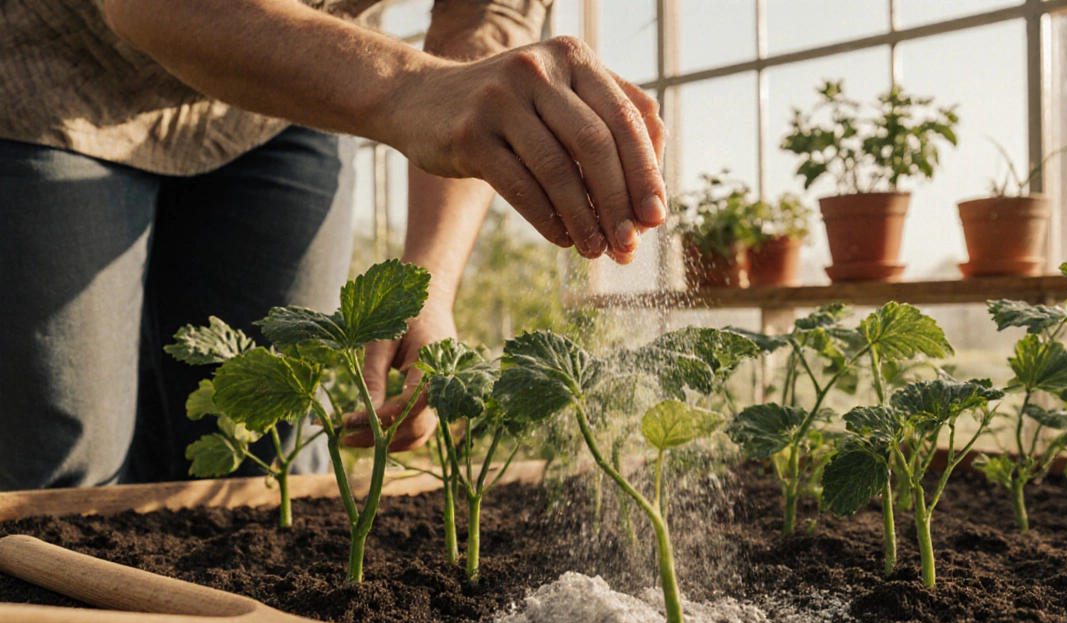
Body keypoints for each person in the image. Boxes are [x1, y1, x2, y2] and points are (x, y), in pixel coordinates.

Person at [0, 0, 666, 491]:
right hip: (53, 81)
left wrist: (428, 278)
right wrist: (410, 88)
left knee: (278, 445)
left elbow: (484, 17)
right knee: (63, 467)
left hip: (286, 92)